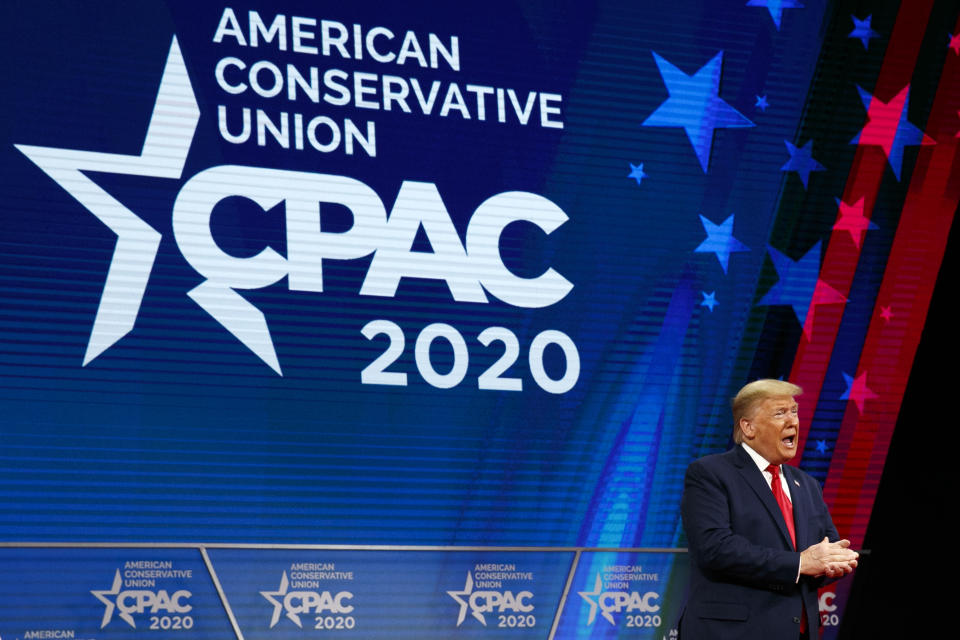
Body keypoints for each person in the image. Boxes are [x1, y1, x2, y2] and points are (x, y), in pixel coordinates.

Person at [680, 379, 858, 639]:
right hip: (731, 632)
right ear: (748, 427)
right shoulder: (710, 473)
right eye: (780, 413)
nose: (793, 421)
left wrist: (832, 563)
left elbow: (822, 551)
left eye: (795, 412)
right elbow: (714, 548)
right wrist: (801, 563)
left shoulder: (807, 484)